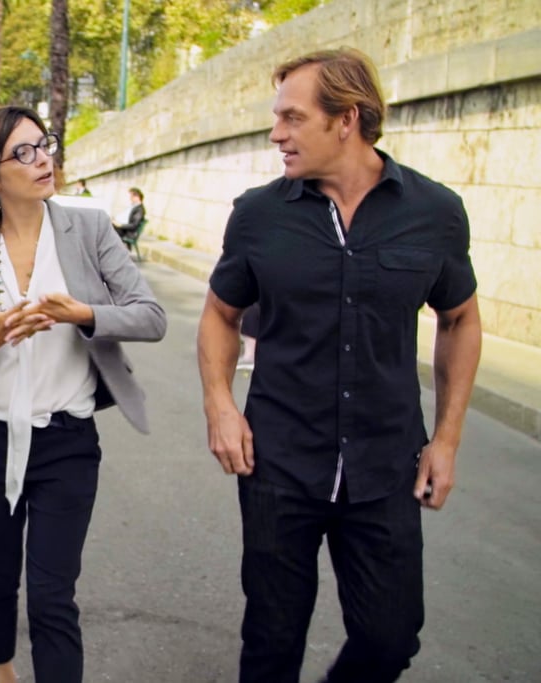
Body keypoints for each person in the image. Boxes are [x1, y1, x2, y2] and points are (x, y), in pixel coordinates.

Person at [197, 47, 481, 683]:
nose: (277, 134)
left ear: (346, 119)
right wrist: (220, 404)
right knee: (272, 642)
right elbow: (220, 313)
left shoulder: (434, 213)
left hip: (385, 468)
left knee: (390, 638)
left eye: (293, 118)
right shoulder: (259, 216)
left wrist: (447, 440)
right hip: (278, 463)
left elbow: (460, 319)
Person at [0, 105, 167, 683]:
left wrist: (85, 313)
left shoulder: (88, 230)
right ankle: (2, 669)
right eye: (24, 152)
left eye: (45, 145)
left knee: (51, 595)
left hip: (67, 440)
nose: (44, 159)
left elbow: (151, 316)